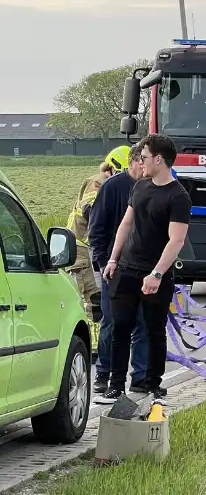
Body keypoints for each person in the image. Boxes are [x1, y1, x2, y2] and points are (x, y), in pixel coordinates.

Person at [96, 134, 191, 404]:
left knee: (153, 330)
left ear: (159, 160)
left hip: (156, 275)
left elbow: (177, 240)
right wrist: (113, 259)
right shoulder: (139, 187)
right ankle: (116, 384)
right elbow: (126, 224)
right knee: (120, 328)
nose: (140, 162)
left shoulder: (178, 196)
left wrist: (157, 274)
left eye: (145, 157)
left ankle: (152, 384)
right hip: (127, 268)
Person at [88, 144, 151, 394]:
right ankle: (104, 373)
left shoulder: (151, 187)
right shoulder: (112, 188)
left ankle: (140, 376)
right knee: (113, 323)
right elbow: (97, 229)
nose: (147, 167)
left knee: (144, 322)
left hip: (144, 268)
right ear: (134, 161)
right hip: (114, 269)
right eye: (144, 161)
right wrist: (103, 263)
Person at [66, 146, 128, 356]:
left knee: (100, 297)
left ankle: (100, 342)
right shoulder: (98, 181)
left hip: (95, 248)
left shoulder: (112, 183)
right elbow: (91, 211)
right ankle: (93, 345)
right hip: (83, 249)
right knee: (93, 298)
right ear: (114, 167)